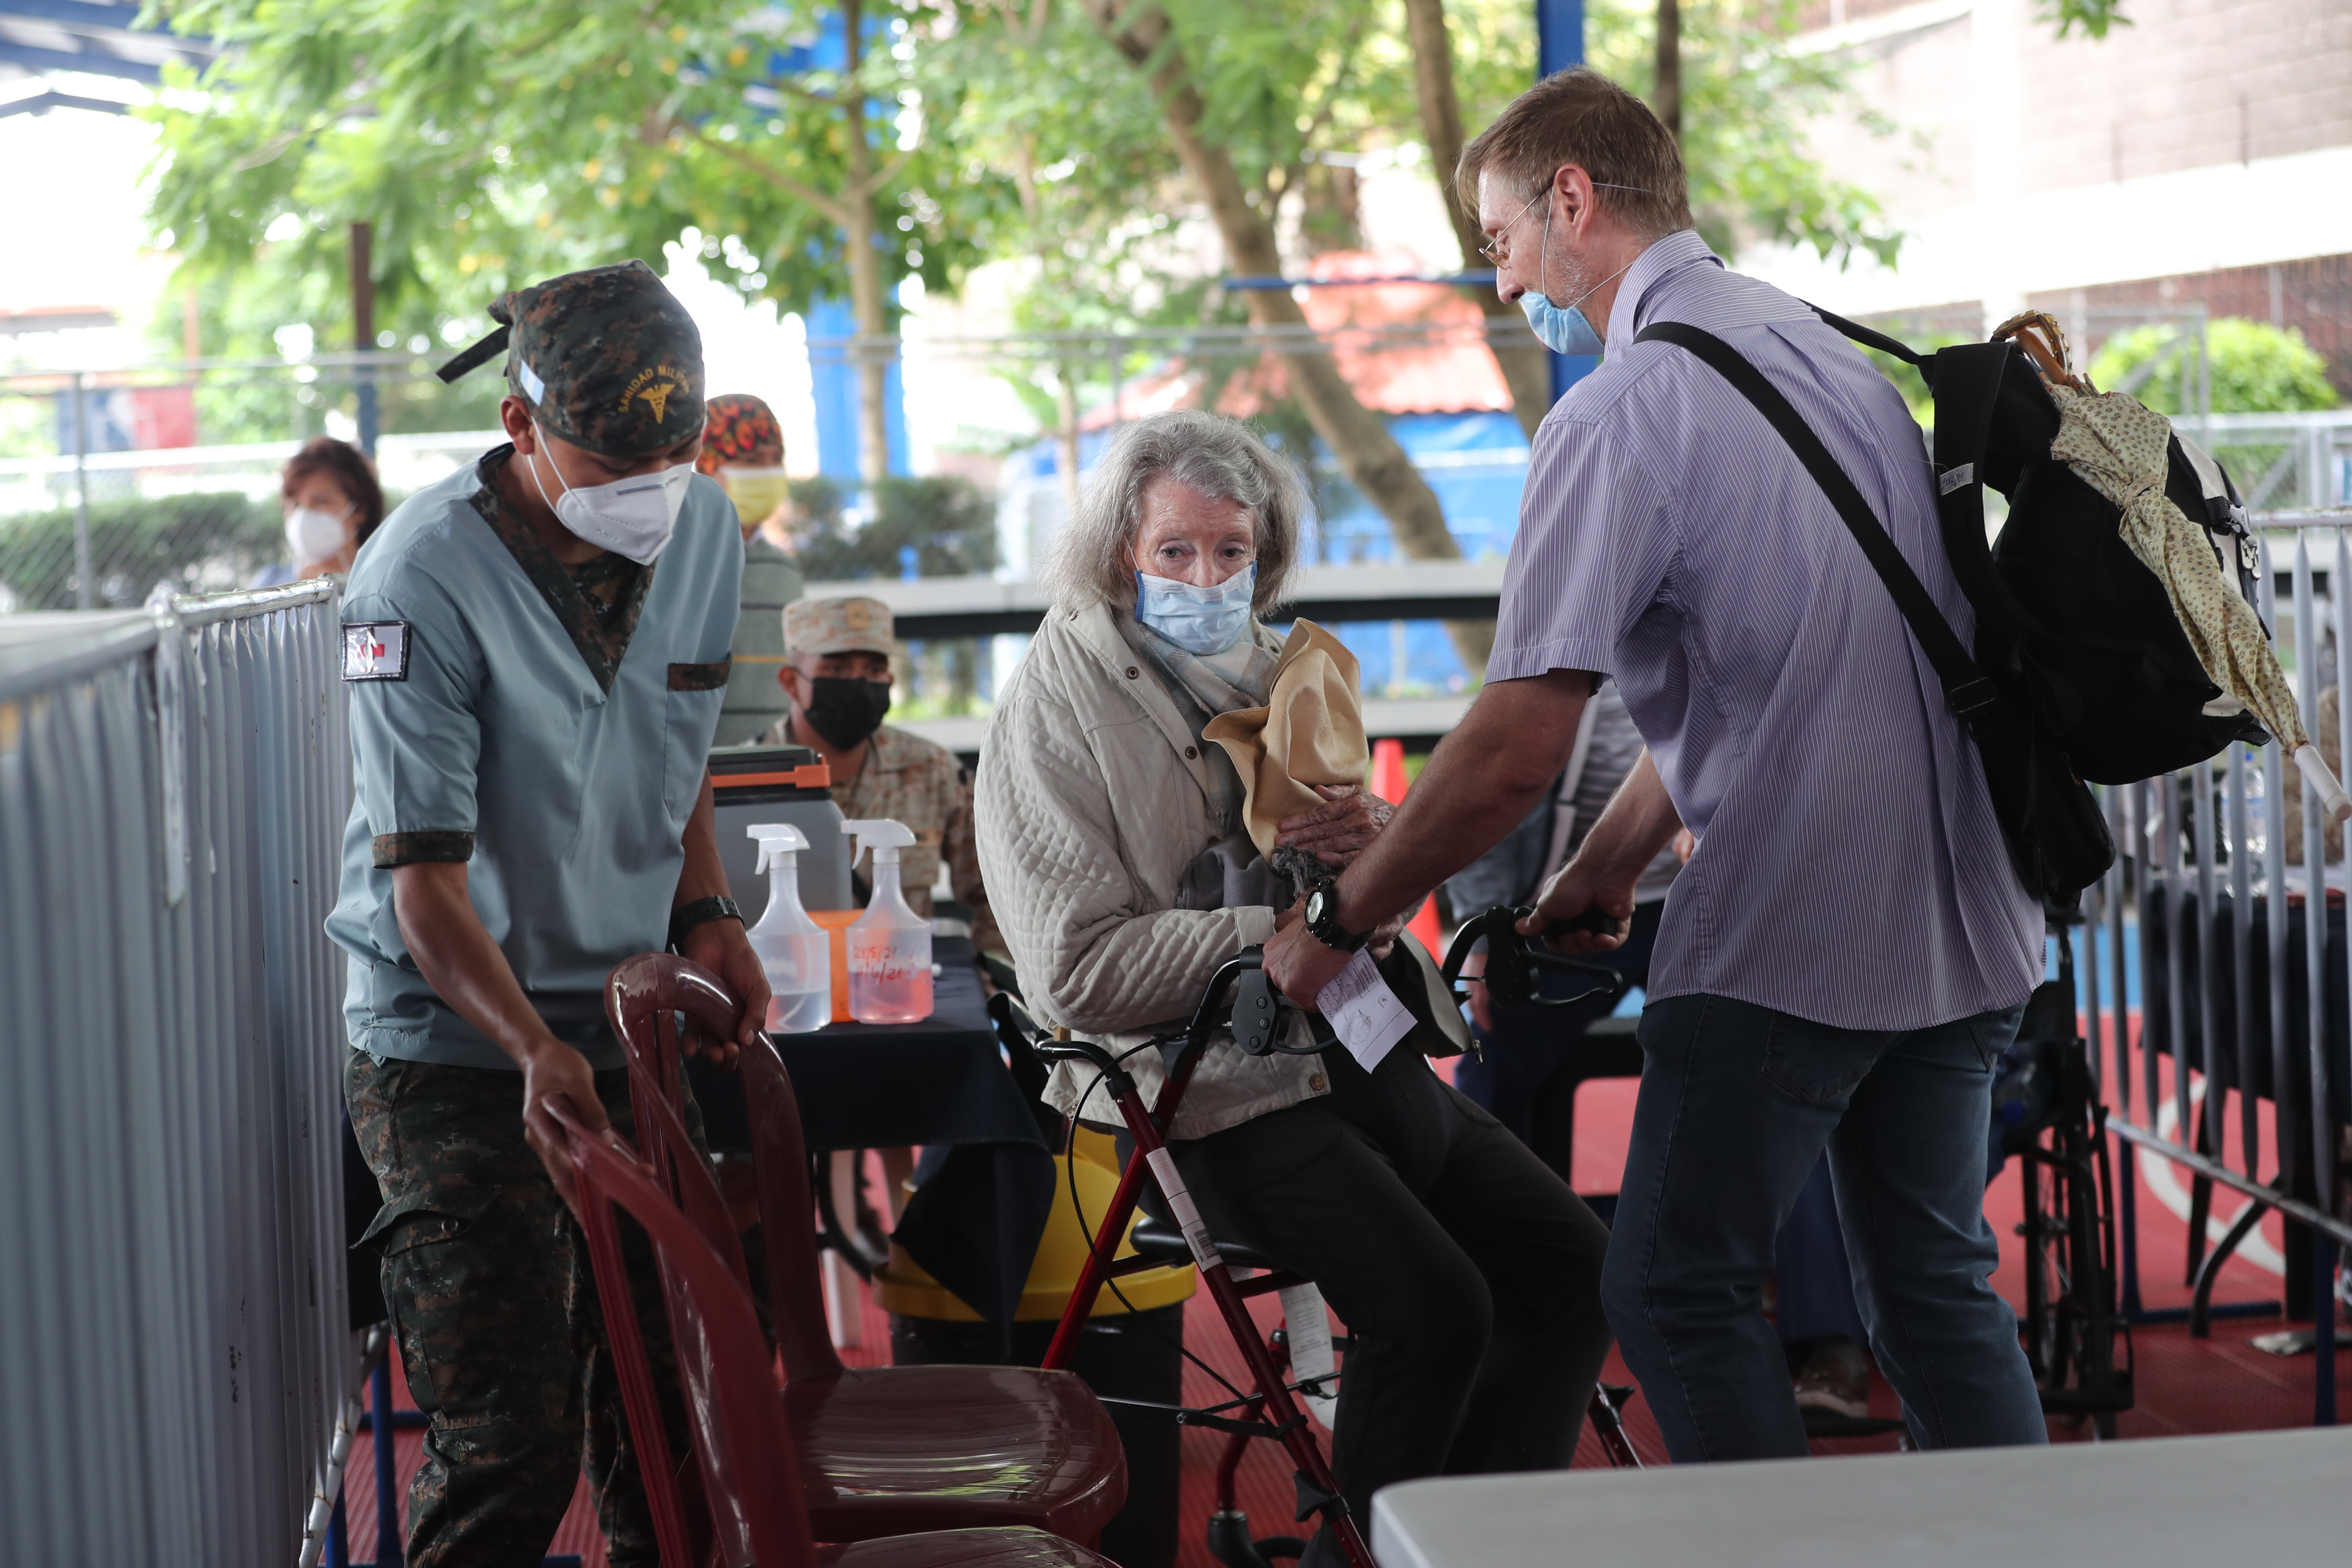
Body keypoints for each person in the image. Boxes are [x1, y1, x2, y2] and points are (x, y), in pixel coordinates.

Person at [1262, 67, 2047, 1463]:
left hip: (1793, 930)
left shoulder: (1622, 412)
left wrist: (1340, 921)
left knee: (1668, 1281)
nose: (1507, 288)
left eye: (1501, 242)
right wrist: (1602, 868)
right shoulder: (1827, 359)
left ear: (1572, 200)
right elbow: (1787, 677)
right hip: (1966, 909)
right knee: (1932, 1286)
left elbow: (1511, 747)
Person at [974, 409, 1613, 1562]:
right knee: (1437, 1311)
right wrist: (1286, 922)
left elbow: (1345, 904)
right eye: (1177, 551)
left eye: (1233, 552)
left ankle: (1460, 1543)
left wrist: (1365, 846)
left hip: (1346, 1045)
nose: (1207, 577)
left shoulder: (1281, 666)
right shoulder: (1050, 706)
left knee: (1574, 1268)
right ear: (1121, 548)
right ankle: (1363, 1556)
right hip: (1185, 1085)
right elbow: (1073, 969)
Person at [326, 258, 771, 1567]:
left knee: (668, 1414)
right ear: (518, 427)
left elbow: (676, 746)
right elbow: (424, 887)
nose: (654, 494)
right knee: (509, 1430)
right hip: (456, 1045)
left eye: (676, 456)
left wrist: (707, 912)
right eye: (614, 462)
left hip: (624, 1021)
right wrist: (529, 1050)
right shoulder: (417, 579)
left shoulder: (706, 532)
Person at [1446, 677, 1680, 1183]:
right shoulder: (1571, 663)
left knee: (1755, 1063)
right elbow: (1487, 785)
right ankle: (1480, 1210)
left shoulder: (1725, 653)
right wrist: (1487, 941)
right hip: (1569, 901)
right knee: (1497, 1050)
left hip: (1694, 903)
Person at [759, 594, 1001, 959]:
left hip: (899, 986)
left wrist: (987, 976)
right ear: (791, 682)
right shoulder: (742, 782)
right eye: (837, 670)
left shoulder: (932, 770)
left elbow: (1001, 893)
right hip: (788, 992)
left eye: (874, 670)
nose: (859, 684)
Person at [697, 392, 804, 745]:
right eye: (752, 460)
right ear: (706, 465)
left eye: (777, 459)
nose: (769, 473)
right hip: (699, 761)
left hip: (774, 758)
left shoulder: (785, 569)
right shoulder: (674, 559)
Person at [251, 435, 386, 586]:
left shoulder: (384, 586)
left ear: (360, 509)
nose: (303, 515)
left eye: (321, 502)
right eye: (295, 505)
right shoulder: (269, 586)